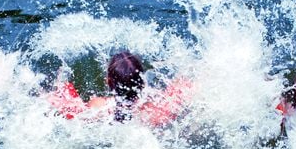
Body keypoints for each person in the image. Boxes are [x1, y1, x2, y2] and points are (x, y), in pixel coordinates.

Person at [48, 51, 191, 126]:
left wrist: (61, 83)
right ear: (143, 82)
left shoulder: (99, 107)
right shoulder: (155, 113)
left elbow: (74, 113)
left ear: (108, 81)